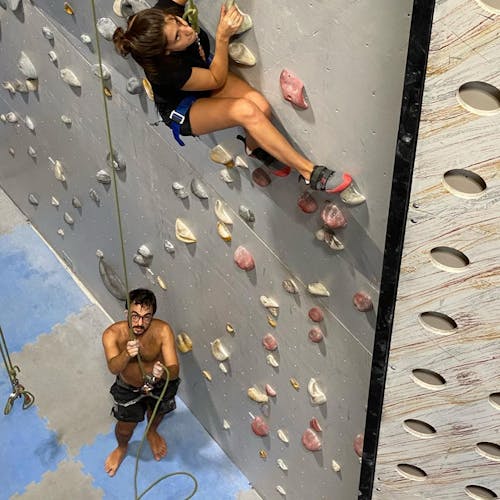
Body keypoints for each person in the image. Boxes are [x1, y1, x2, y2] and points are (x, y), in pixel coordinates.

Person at [112, 0, 353, 193]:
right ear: (166, 52)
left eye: (178, 21)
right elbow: (215, 79)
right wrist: (223, 36)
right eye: (177, 37)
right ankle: (310, 173)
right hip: (184, 107)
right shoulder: (167, 70)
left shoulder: (161, 17)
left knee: (261, 107)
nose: (185, 29)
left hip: (202, 77)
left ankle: (254, 147)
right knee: (246, 112)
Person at [102, 288, 180, 477]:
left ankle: (151, 431)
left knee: (157, 413)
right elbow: (113, 368)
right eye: (135, 316)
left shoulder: (162, 331)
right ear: (126, 313)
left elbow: (174, 371)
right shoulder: (112, 334)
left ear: (153, 316)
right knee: (124, 429)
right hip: (129, 387)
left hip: (158, 383)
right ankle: (122, 447)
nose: (139, 323)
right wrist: (126, 354)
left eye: (146, 317)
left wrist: (163, 372)